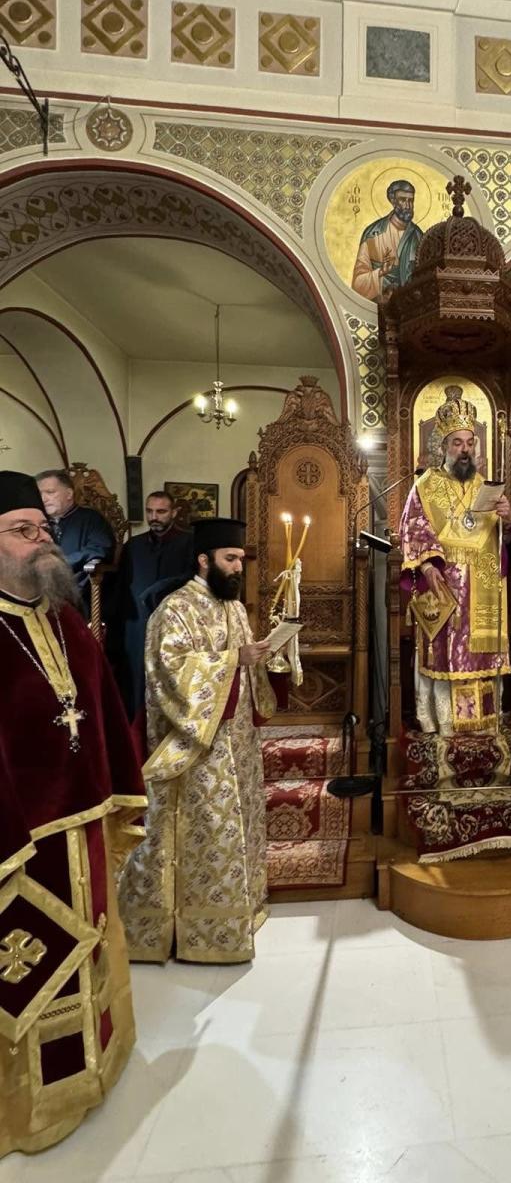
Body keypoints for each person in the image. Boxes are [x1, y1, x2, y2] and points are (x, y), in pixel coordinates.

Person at [0, 471, 145, 1157]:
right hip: (20, 844)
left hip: (82, 824)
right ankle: (32, 1109)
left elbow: (104, 709)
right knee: (31, 966)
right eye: (21, 530)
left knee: (91, 946)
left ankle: (97, 1067)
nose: (42, 542)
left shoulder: (64, 618)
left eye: (44, 529)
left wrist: (119, 793)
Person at [118, 518, 276, 964]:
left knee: (235, 830)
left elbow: (246, 667)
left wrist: (267, 657)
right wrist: (232, 659)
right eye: (231, 559)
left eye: (241, 559)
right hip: (199, 748)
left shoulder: (235, 609)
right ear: (204, 560)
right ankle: (189, 933)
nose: (238, 568)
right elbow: (168, 673)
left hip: (236, 743)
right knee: (201, 833)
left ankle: (238, 917)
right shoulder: (174, 610)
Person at [400, 391, 511, 734]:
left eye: (469, 442)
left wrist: (509, 521)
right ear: (444, 446)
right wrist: (427, 566)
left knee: (481, 654)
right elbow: (413, 527)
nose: (465, 449)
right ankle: (442, 721)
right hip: (444, 586)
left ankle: (482, 720)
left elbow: (502, 541)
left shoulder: (488, 488)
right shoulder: (425, 485)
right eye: (457, 442)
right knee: (442, 655)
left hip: (483, 587)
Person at [108, 491, 194, 719]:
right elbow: (120, 588)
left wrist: (162, 587)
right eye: (150, 511)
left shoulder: (190, 542)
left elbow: (193, 579)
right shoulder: (133, 546)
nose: (154, 517)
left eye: (161, 511)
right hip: (137, 624)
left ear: (174, 512)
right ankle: (136, 730)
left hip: (174, 623)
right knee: (136, 679)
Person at [35, 469, 115, 602]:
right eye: (40, 494)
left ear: (69, 494)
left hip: (77, 585)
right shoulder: (36, 522)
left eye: (50, 492)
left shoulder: (91, 518)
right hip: (40, 584)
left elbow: (99, 549)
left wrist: (62, 563)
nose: (44, 499)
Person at [352, 179, 424, 301]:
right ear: (393, 201)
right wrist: (381, 272)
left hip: (413, 303)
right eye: (403, 200)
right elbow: (358, 283)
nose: (408, 205)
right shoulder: (373, 234)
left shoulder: (418, 236)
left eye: (411, 200)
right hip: (381, 303)